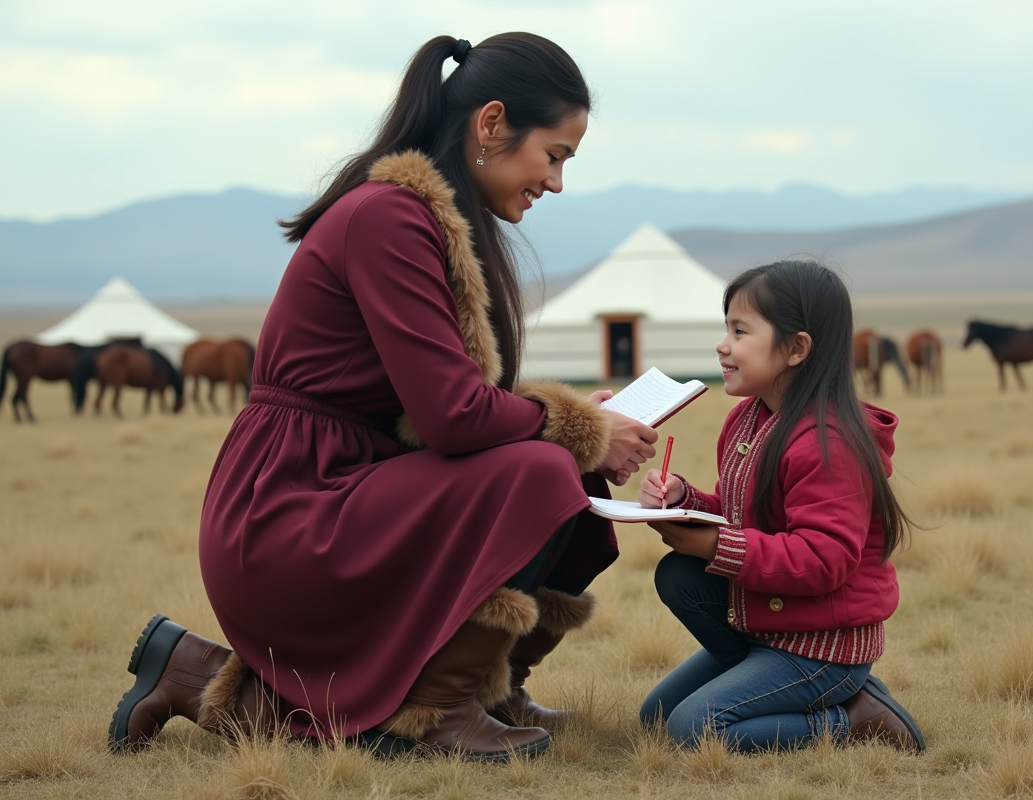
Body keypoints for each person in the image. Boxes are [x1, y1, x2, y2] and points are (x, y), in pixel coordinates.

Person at [107, 32, 658, 762]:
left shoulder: (428, 222)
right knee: (544, 468)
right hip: (289, 509)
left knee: (563, 467)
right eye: (554, 156)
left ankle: (489, 689)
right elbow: (454, 417)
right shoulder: (388, 219)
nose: (555, 182)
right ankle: (438, 708)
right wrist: (578, 426)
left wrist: (580, 429)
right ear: (490, 125)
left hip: (351, 488)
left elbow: (449, 406)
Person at [636, 260, 926, 753]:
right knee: (656, 717)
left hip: (824, 649)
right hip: (771, 626)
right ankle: (760, 677)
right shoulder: (746, 420)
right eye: (725, 328)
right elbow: (740, 517)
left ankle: (851, 720)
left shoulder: (828, 443)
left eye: (740, 331)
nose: (722, 345)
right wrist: (686, 500)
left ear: (796, 349)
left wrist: (717, 544)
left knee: (694, 730)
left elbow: (822, 559)